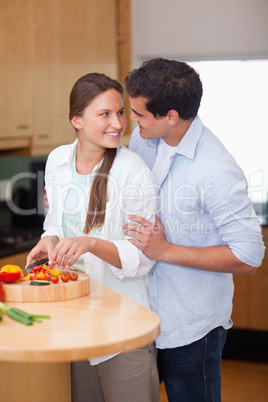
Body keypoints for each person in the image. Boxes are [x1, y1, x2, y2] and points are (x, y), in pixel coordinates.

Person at [123, 58, 265, 402]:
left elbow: (249, 255)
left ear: (170, 116)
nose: (132, 120)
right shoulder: (144, 139)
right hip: (143, 312)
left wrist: (165, 250)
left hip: (192, 327)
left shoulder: (216, 170)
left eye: (139, 113)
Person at [26, 72, 159, 402]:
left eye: (120, 112)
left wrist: (89, 243)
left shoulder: (132, 170)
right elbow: (56, 221)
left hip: (123, 324)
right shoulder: (58, 160)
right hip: (75, 319)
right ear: (77, 120)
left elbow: (143, 256)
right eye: (105, 114)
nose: (117, 123)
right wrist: (49, 240)